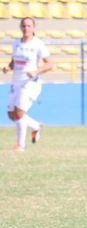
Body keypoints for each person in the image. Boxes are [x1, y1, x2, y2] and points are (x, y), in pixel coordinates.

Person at [2, 17, 52, 152]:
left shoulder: (38, 44)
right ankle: (35, 126)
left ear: (34, 28)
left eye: (29, 26)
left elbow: (50, 64)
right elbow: (14, 61)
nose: (26, 28)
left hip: (30, 83)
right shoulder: (16, 43)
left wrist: (36, 71)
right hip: (16, 82)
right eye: (24, 26)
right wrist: (8, 67)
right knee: (11, 115)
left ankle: (20, 145)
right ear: (20, 27)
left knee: (18, 113)